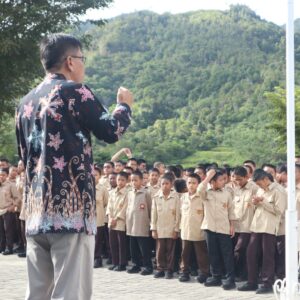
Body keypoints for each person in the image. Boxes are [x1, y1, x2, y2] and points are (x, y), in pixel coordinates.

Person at [15, 33, 133, 300]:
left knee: (37, 294)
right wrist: (124, 105)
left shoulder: (25, 103)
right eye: (82, 59)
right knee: (71, 293)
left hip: (35, 213)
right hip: (71, 211)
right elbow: (111, 130)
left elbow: (24, 156)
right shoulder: (73, 91)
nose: (83, 65)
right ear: (70, 61)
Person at [238, 169, 286, 294]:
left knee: (267, 256)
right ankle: (252, 281)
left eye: (259, 183)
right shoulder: (260, 189)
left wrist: (262, 202)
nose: (258, 186)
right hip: (256, 226)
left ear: (266, 179)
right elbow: (258, 206)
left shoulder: (279, 191)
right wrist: (255, 202)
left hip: (269, 228)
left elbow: (279, 211)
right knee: (251, 253)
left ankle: (267, 283)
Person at [199, 168, 236, 290]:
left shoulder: (227, 193)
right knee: (213, 254)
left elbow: (231, 210)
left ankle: (230, 279)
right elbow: (199, 190)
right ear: (213, 182)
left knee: (227, 255)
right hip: (209, 228)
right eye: (220, 180)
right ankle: (216, 277)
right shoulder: (206, 193)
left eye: (223, 180)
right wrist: (208, 177)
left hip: (224, 228)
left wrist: (232, 225)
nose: (223, 182)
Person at [179, 173, 210, 284]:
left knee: (201, 254)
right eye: (189, 183)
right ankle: (184, 272)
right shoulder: (183, 197)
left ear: (198, 184)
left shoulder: (202, 197)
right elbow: (180, 214)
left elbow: (206, 214)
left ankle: (204, 273)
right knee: (184, 253)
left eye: (194, 183)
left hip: (199, 231)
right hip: (186, 230)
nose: (191, 185)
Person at [151, 174, 180, 279]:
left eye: (167, 183)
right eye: (163, 184)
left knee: (170, 250)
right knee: (159, 250)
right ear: (160, 184)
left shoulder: (176, 197)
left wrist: (176, 229)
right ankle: (160, 269)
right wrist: (153, 229)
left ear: (171, 184)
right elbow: (154, 214)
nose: (165, 186)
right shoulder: (156, 197)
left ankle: (169, 269)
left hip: (171, 228)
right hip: (159, 229)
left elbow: (178, 214)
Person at [231, 166, 258, 281]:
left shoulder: (254, 188)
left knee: (240, 249)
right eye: (235, 179)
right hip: (235, 226)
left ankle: (243, 275)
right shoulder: (233, 189)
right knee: (237, 251)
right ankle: (239, 274)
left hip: (247, 227)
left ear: (247, 177)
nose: (237, 182)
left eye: (240, 179)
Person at [126, 170, 153, 275]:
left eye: (136, 180)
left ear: (141, 181)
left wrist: (151, 223)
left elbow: (150, 208)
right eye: (132, 180)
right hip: (131, 224)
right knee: (133, 247)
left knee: (144, 247)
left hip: (142, 224)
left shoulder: (146, 193)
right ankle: (135, 265)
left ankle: (147, 266)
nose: (133, 182)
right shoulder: (130, 193)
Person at [106, 172, 129, 271]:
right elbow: (109, 206)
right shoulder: (112, 192)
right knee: (113, 243)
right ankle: (115, 262)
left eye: (122, 180)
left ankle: (122, 263)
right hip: (111, 221)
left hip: (120, 221)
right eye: (118, 179)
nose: (120, 182)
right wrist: (110, 218)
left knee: (121, 244)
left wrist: (116, 218)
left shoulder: (128, 193)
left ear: (126, 181)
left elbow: (125, 208)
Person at [93, 166, 109, 268]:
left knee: (98, 240)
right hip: (87, 220)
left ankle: (97, 258)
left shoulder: (103, 189)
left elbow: (106, 203)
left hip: (99, 219)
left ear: (100, 176)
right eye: (91, 174)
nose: (93, 177)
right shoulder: (85, 187)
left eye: (96, 175)